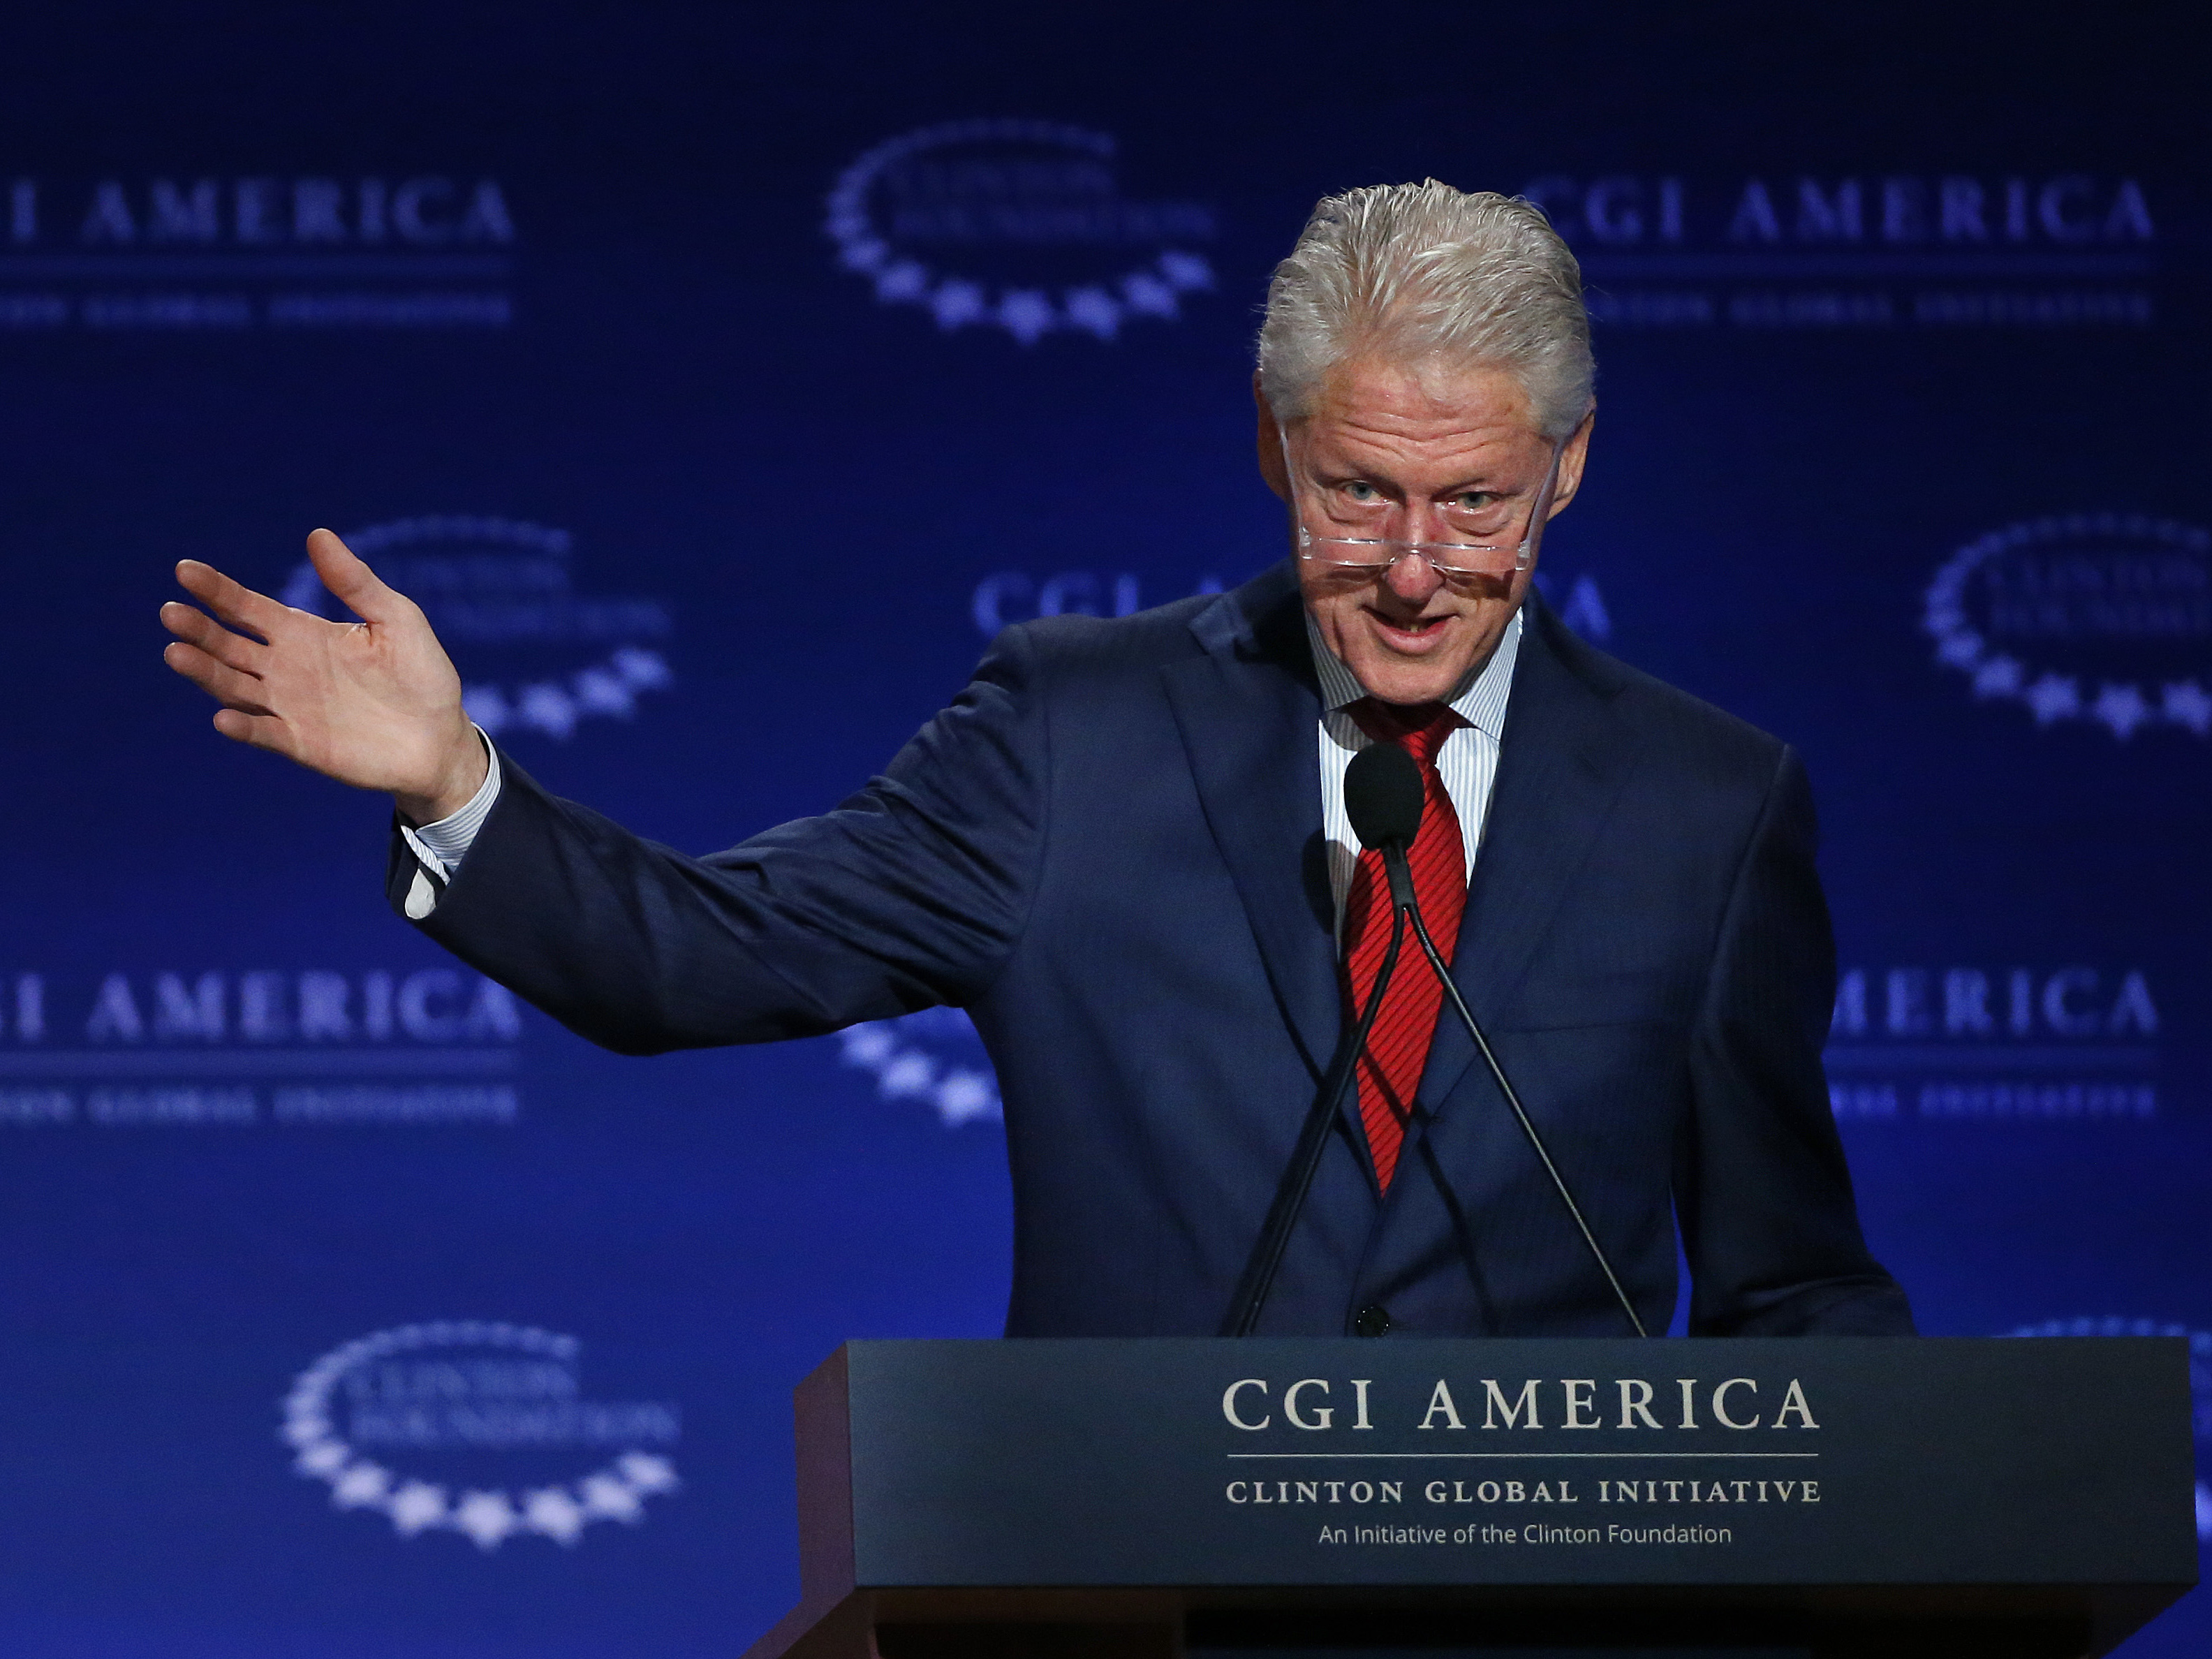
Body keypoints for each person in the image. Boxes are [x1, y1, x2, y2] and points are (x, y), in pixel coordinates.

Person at [161, 181, 1912, 1341]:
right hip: (1139, 1589)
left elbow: (1792, 1281)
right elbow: (696, 957)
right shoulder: (1080, 734)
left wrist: (1919, 1502)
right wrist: (454, 778)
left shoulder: (1709, 806)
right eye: (1358, 494)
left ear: (1570, 470)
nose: (1410, 569)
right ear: (1272, 447)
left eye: (1475, 508)